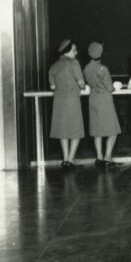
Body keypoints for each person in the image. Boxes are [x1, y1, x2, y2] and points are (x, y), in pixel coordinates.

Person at [47, 39, 85, 167]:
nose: (76, 52)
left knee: (62, 130)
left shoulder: (54, 65)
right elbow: (81, 82)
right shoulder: (74, 63)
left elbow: (52, 86)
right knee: (76, 129)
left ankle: (65, 159)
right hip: (72, 100)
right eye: (74, 50)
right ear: (67, 51)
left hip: (58, 101)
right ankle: (70, 159)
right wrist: (82, 86)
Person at [84, 41, 120, 168]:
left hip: (93, 99)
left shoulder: (86, 68)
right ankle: (107, 156)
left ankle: (99, 157)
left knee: (97, 131)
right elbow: (110, 88)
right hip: (105, 100)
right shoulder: (103, 69)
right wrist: (118, 86)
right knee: (113, 130)